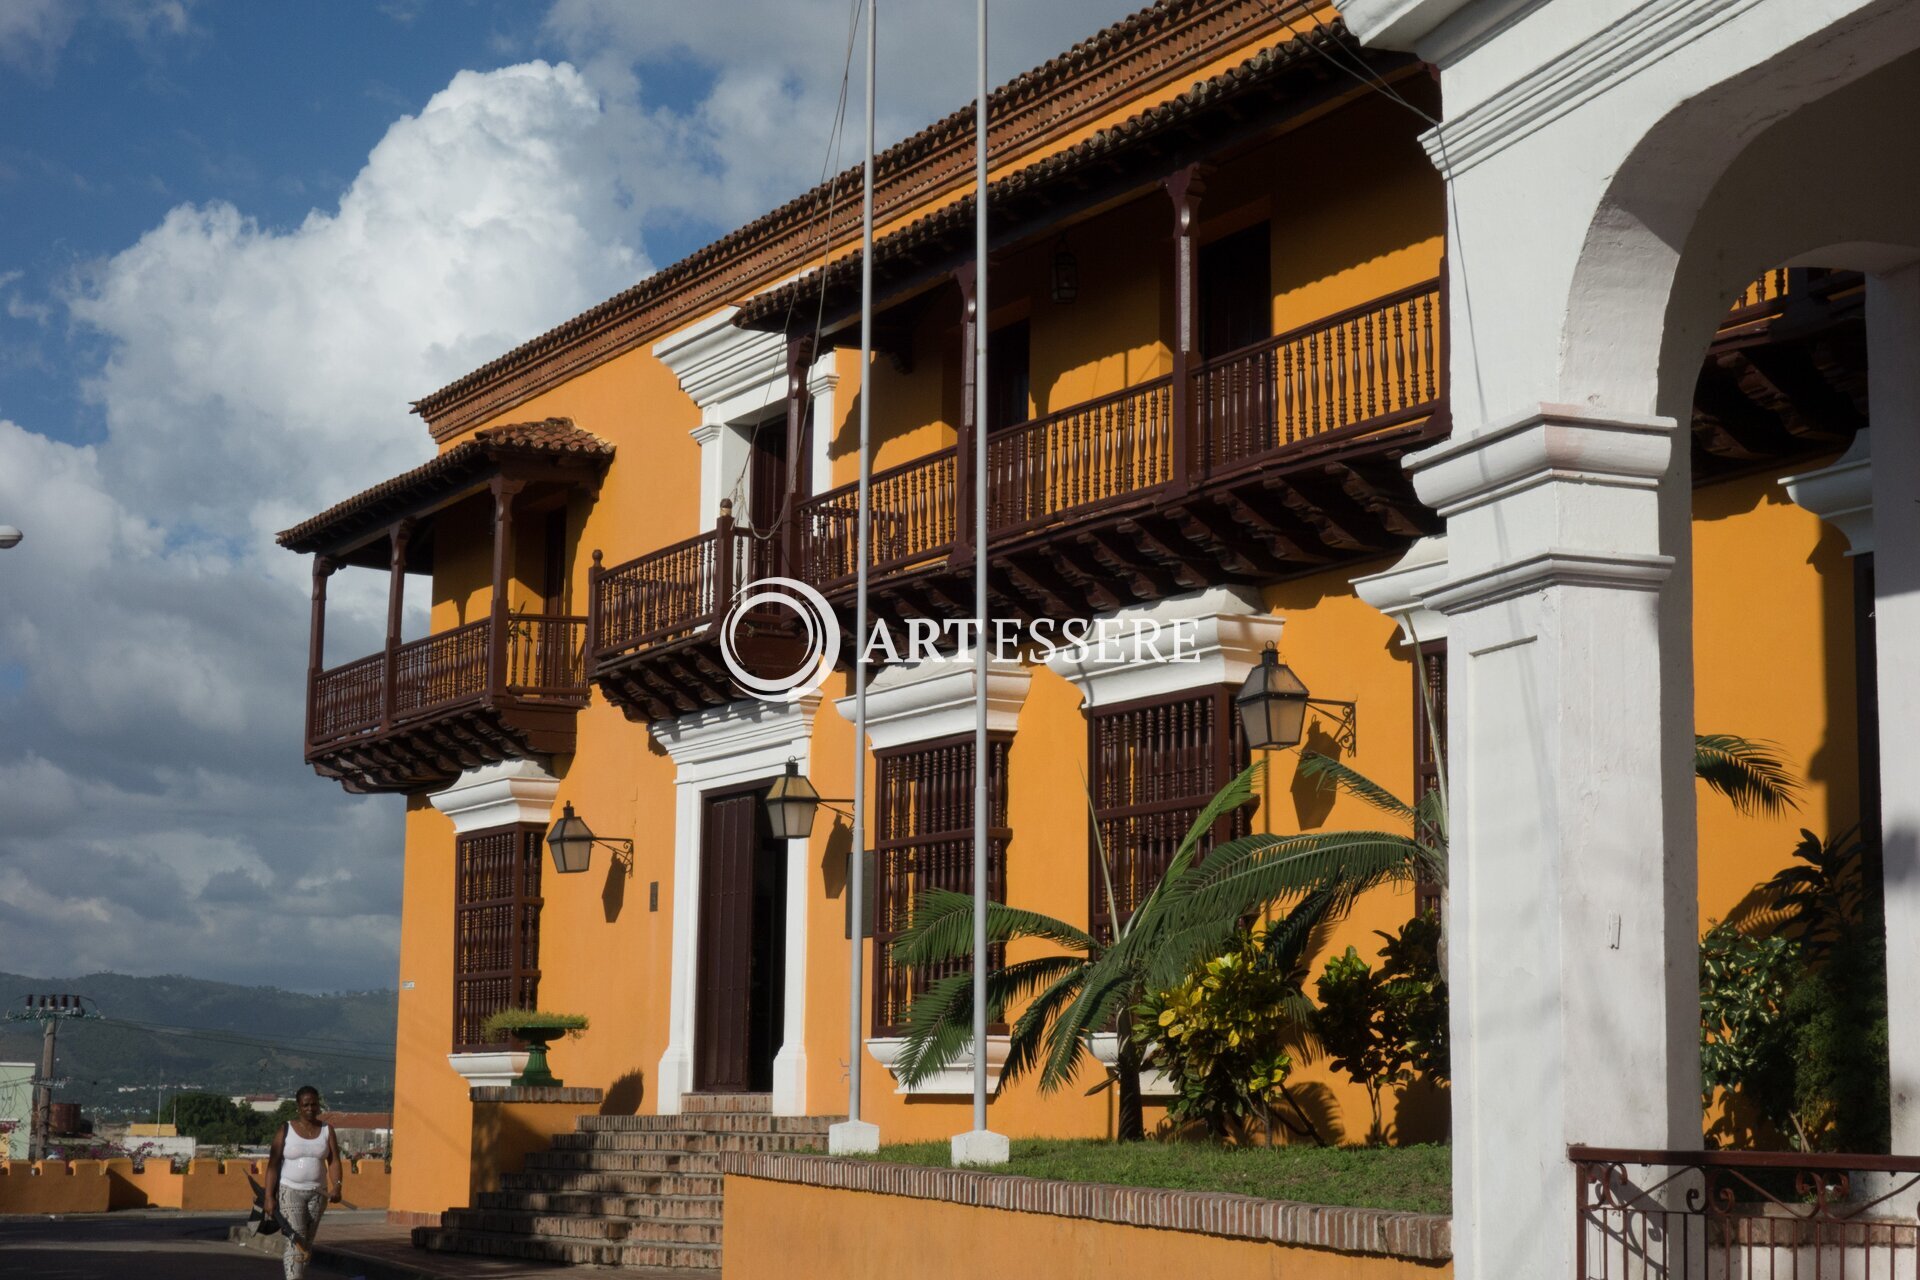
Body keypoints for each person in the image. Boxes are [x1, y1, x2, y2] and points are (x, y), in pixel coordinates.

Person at [263, 1085, 343, 1278]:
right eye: (305, 1105)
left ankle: (298, 1275)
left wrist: (337, 1186)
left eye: (314, 1104)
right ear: (298, 1107)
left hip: (318, 1193)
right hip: (290, 1190)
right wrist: (268, 1196)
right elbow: (273, 1164)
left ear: (318, 1106)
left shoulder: (326, 1130)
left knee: (306, 1242)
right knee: (295, 1238)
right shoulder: (286, 1129)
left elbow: (334, 1160)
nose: (310, 1108)